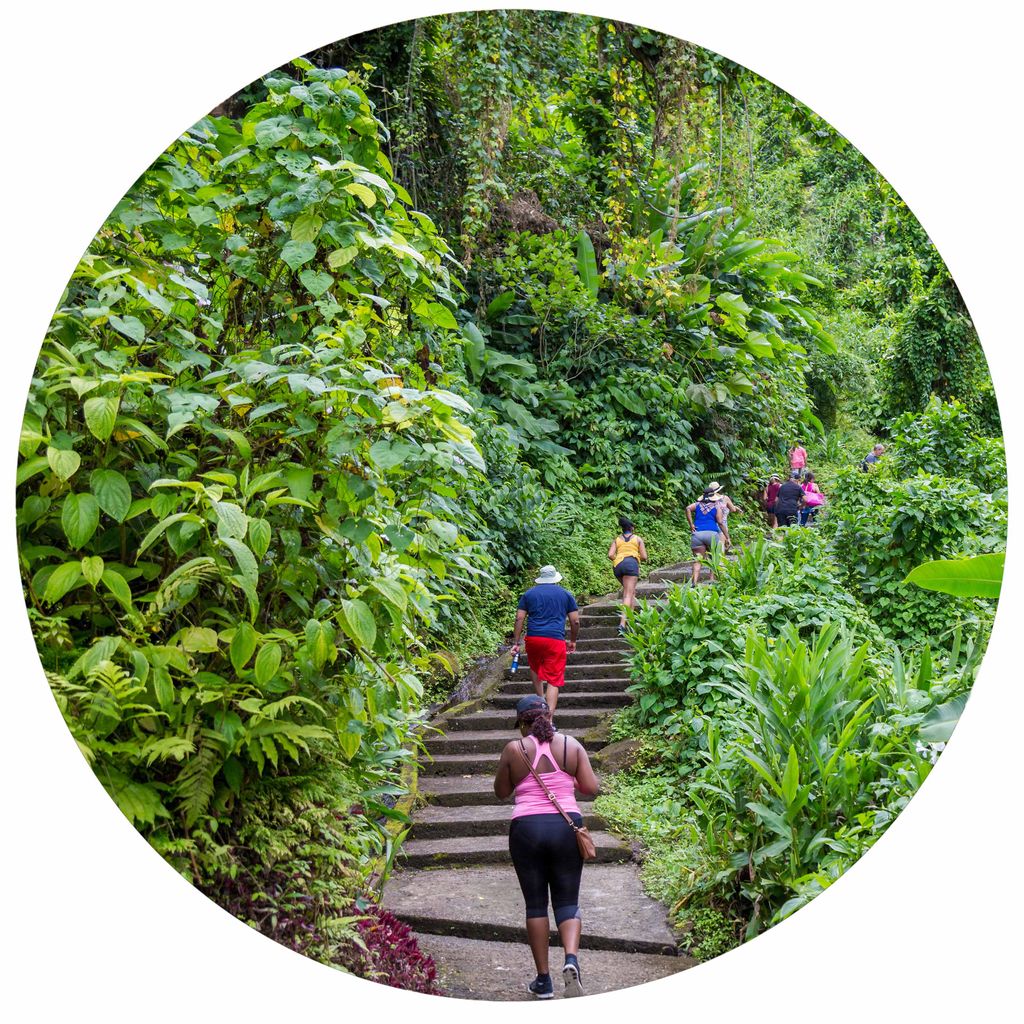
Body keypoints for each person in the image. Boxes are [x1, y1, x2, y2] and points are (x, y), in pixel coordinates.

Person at [494, 695, 600, 998]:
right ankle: (571, 960)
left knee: (536, 905)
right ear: (548, 717)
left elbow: (501, 792)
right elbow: (591, 787)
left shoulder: (515, 749)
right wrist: (568, 781)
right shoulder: (571, 746)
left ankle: (544, 981)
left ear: (521, 723)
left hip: (527, 829)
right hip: (567, 828)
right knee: (567, 902)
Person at [511, 566, 580, 714]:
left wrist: (516, 643)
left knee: (535, 670)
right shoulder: (565, 594)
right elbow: (575, 621)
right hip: (555, 640)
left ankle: (539, 706)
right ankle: (548, 718)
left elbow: (519, 618)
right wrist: (573, 641)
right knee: (554, 679)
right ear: (555, 578)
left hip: (533, 639)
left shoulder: (528, 594)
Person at [608, 516, 648, 636]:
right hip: (631, 565)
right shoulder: (638, 539)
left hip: (618, 566)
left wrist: (619, 559)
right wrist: (633, 558)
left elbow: (610, 555)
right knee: (628, 594)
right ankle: (622, 624)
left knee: (631, 592)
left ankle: (631, 620)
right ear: (632, 528)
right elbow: (644, 557)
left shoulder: (617, 539)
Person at [685, 487, 726, 586]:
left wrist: (691, 525)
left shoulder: (697, 505)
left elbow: (687, 508)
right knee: (714, 558)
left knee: (698, 560)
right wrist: (727, 536)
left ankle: (694, 582)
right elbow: (720, 522)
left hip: (697, 534)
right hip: (712, 534)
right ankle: (712, 580)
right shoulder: (717, 506)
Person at [706, 480, 742, 549]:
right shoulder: (725, 498)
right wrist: (735, 508)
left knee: (712, 547)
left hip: (709, 524)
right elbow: (733, 509)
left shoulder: (707, 499)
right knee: (722, 546)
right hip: (722, 524)